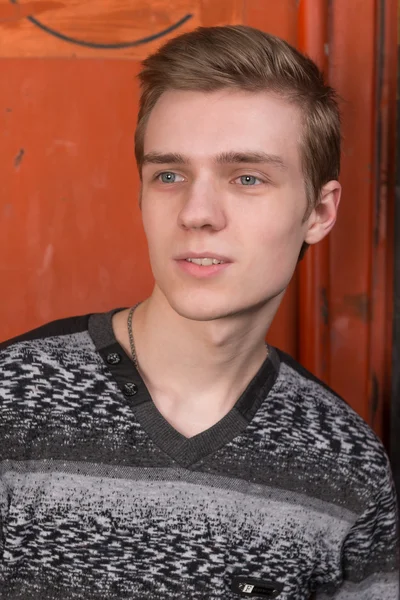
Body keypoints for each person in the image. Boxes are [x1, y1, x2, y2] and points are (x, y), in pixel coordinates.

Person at [0, 24, 398, 600]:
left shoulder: (347, 463)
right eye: (169, 175)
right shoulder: (14, 398)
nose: (197, 212)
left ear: (318, 211)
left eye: (246, 177)